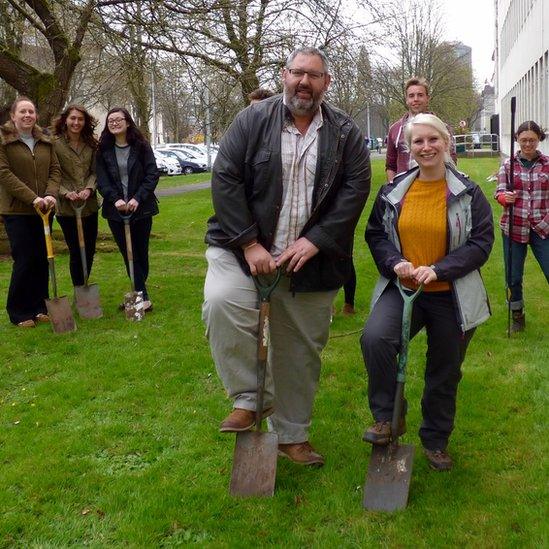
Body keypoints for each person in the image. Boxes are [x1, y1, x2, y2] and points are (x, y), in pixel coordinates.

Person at [203, 46, 371, 466]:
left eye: (314, 76)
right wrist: (248, 242)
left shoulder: (346, 133)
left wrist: (316, 240)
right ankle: (249, 397)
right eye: (297, 73)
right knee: (222, 301)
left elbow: (355, 191)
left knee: (299, 349)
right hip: (242, 249)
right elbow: (225, 178)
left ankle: (292, 436)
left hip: (311, 260)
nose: (304, 82)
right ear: (283, 75)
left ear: (326, 83)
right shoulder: (251, 120)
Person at [361, 113, 494, 471]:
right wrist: (394, 262)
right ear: (409, 148)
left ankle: (435, 439)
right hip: (404, 288)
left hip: (451, 294)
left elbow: (481, 244)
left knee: (444, 369)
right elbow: (375, 234)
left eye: (432, 139)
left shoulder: (467, 193)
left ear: (446, 142)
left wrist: (438, 269)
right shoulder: (394, 191)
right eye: (418, 141)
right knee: (375, 338)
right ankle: (388, 417)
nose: (426, 147)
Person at [0, 96, 60, 327]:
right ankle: (19, 311)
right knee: (24, 260)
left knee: (42, 259)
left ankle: (40, 307)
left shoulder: (45, 140)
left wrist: (50, 195)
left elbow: (55, 170)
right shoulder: (4, 141)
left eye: (31, 112)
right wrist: (32, 197)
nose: (27, 116)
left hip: (44, 208)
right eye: (22, 112)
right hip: (17, 211)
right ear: (13, 116)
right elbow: (4, 174)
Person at [96, 107, 159, 312]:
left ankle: (137, 294)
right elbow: (102, 179)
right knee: (128, 254)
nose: (114, 123)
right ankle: (142, 298)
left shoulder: (141, 146)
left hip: (141, 209)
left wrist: (137, 198)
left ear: (128, 122)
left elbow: (152, 174)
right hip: (116, 211)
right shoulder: (103, 149)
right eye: (110, 120)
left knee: (141, 252)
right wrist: (115, 199)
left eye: (118, 119)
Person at [495, 120, 548, 332]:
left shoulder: (547, 164)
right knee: (513, 277)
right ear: (517, 139)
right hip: (513, 227)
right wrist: (503, 197)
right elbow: (499, 192)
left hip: (542, 227)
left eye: (532, 140)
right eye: (524, 140)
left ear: (539, 140)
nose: (527, 144)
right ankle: (517, 316)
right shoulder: (507, 166)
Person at [52, 105, 99, 287]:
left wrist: (89, 189)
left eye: (80, 119)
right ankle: (79, 288)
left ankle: (86, 284)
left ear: (85, 122)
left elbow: (95, 171)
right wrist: (65, 193)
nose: (76, 122)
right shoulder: (54, 144)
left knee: (89, 250)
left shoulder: (91, 144)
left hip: (89, 206)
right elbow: (53, 174)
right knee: (76, 251)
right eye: (73, 118)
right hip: (67, 208)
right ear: (65, 120)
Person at [385, 77, 457, 181]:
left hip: (436, 188)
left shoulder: (442, 127)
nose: (415, 99)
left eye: (420, 95)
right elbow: (390, 166)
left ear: (428, 98)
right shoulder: (395, 129)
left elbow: (451, 160)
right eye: (411, 96)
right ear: (406, 99)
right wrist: (394, 189)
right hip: (405, 192)